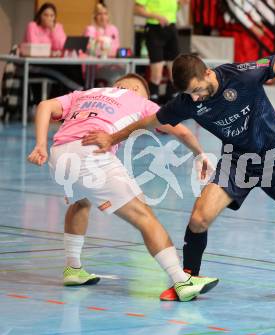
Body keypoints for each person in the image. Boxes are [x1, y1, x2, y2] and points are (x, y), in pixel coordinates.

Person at [82, 51, 275, 301]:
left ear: (207, 73)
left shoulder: (243, 74)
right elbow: (151, 121)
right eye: (190, 94)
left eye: (197, 90)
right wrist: (113, 136)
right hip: (237, 162)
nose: (195, 97)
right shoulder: (187, 102)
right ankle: (186, 280)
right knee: (199, 218)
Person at [27, 73, 218, 302]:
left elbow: (45, 105)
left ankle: (73, 268)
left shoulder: (84, 94)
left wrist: (40, 144)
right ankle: (182, 281)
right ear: (138, 91)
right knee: (144, 216)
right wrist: (200, 154)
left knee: (81, 202)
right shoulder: (139, 101)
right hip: (92, 156)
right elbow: (181, 130)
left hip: (60, 156)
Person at [134, 0, 189, 104]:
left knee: (175, 71)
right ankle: (152, 105)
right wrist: (156, 16)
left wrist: (181, 4)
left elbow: (173, 8)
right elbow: (136, 9)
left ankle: (172, 103)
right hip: (154, 29)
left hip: (171, 28)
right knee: (157, 74)